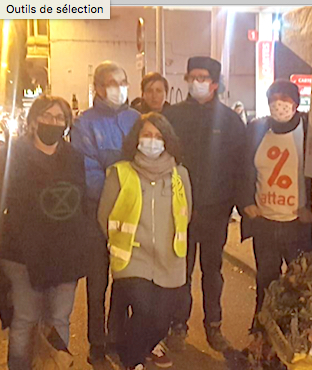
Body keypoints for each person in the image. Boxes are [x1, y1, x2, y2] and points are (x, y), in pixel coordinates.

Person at [0, 95, 91, 369]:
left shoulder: (74, 157)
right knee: (25, 318)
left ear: (67, 124)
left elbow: (80, 202)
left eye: (59, 118)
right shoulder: (12, 155)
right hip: (21, 254)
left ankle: (54, 365)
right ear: (34, 120)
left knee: (59, 319)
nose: (53, 122)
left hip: (64, 254)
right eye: (46, 116)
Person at [97, 113, 192, 370]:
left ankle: (129, 349)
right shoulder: (120, 172)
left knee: (161, 321)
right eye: (147, 135)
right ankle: (133, 361)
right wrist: (120, 241)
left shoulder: (179, 175)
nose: (152, 141)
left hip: (169, 259)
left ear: (168, 141)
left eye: (159, 137)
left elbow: (186, 213)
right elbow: (104, 215)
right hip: (132, 257)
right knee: (144, 310)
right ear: (136, 139)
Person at [163, 56, 246, 352]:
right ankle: (177, 324)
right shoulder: (172, 116)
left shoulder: (230, 121)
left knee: (213, 273)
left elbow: (240, 167)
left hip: (215, 213)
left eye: (203, 77)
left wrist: (237, 207)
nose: (196, 82)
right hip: (178, 212)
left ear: (214, 83)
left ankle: (214, 327)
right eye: (192, 76)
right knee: (180, 272)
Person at [70, 61, 140, 363]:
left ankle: (118, 334)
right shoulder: (85, 124)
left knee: (126, 279)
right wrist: (116, 198)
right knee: (97, 281)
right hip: (97, 213)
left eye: (122, 81)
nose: (118, 88)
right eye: (111, 83)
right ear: (98, 88)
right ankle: (96, 340)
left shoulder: (137, 119)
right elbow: (89, 169)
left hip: (132, 215)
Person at [240, 80, 312, 327]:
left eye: (285, 98)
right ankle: (262, 335)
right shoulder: (257, 130)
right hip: (265, 224)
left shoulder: (309, 130)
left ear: (297, 102)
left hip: (297, 225)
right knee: (266, 283)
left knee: (299, 285)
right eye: (273, 98)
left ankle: (295, 338)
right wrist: (246, 203)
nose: (278, 104)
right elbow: (241, 169)